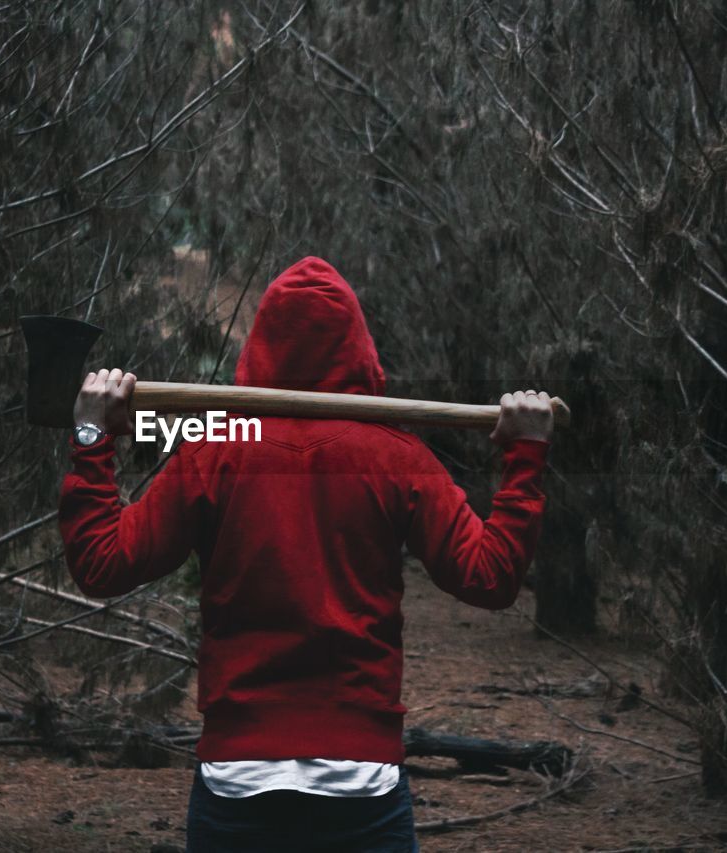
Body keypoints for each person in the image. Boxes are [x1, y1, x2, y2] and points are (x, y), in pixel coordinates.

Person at [59, 256, 553, 852]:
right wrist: (525, 456)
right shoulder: (396, 455)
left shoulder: (213, 443)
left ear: (262, 344)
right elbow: (492, 578)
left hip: (239, 782)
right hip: (360, 785)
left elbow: (100, 564)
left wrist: (92, 437)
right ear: (360, 347)